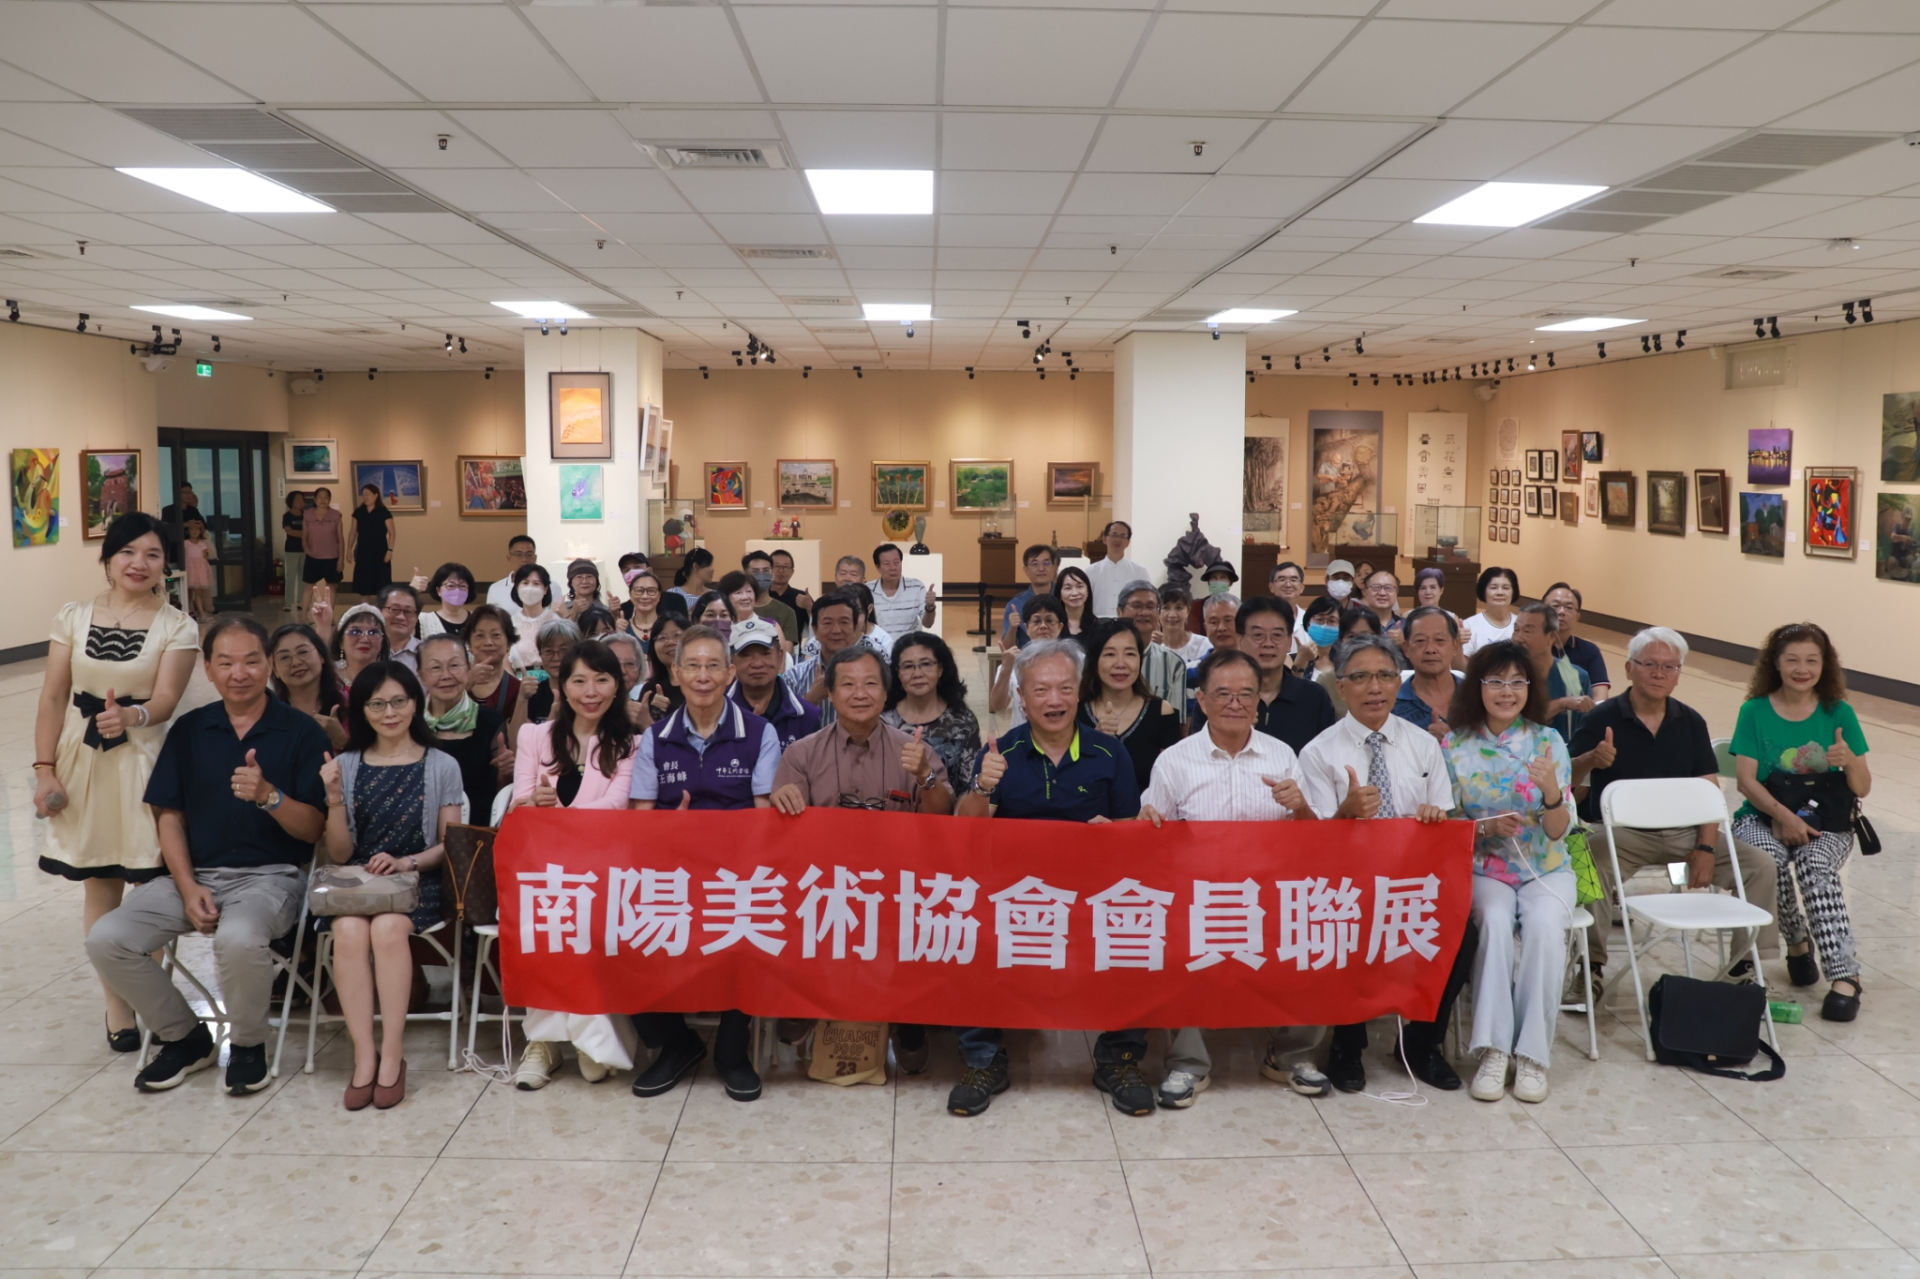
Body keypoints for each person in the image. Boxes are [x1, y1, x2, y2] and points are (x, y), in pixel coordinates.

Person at [85, 617, 329, 1094]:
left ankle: (249, 1045)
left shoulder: (302, 732)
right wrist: (188, 884)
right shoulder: (190, 729)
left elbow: (314, 829)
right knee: (107, 938)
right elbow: (169, 816)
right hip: (194, 876)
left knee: (238, 939)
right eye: (227, 663)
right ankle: (186, 1037)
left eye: (251, 661)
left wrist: (269, 796)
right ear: (209, 671)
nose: (240, 673)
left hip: (273, 878)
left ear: (268, 665)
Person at [952, 639, 1143, 1118]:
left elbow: (1131, 835)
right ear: (1021, 696)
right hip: (1015, 897)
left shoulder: (1110, 752)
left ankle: (1118, 1060)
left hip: (1092, 895)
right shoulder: (1002, 752)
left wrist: (1115, 834)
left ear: (1080, 692)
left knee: (1137, 933)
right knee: (969, 931)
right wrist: (982, 786)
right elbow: (965, 833)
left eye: (1065, 688)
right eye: (1040, 690)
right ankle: (984, 1060)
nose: (1054, 700)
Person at [33, 512, 200, 1052]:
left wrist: (133, 716)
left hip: (143, 764)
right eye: (127, 551)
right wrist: (44, 770)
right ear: (108, 558)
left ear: (165, 565)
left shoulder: (177, 625)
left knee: (151, 890)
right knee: (99, 884)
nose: (138, 563)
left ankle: (152, 1001)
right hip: (82, 762)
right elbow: (53, 697)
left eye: (152, 554)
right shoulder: (73, 616)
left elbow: (167, 700)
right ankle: (117, 1008)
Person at [1136, 648, 1323, 1106]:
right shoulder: (1175, 761)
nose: (1235, 704)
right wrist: (1146, 823)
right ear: (1201, 699)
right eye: (1222, 694)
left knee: (1314, 931)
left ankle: (1291, 1055)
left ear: (1259, 700)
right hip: (1198, 895)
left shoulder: (1282, 755)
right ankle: (1187, 1062)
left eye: (1246, 694)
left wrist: (1300, 806)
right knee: (1174, 936)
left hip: (1271, 894)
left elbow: (1313, 840)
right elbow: (1152, 840)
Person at [1298, 633, 1468, 1093]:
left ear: (1398, 682)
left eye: (1385, 676)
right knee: (1339, 923)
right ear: (1341, 686)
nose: (1374, 687)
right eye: (1360, 677)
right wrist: (1345, 813)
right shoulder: (1318, 753)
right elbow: (1312, 846)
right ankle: (1346, 1046)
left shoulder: (1423, 744)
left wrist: (1434, 818)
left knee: (1463, 932)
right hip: (1348, 885)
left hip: (1413, 882)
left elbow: (1443, 822)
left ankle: (1422, 1044)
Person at [1571, 626, 1778, 986]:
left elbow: (1708, 793)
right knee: (1587, 861)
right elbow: (1567, 782)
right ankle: (1591, 967)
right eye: (1649, 664)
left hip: (1686, 834)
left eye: (1670, 667)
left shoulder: (1690, 721)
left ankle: (1745, 966)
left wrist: (1705, 848)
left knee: (1760, 866)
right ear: (1629, 668)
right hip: (1624, 835)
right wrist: (1590, 759)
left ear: (1679, 674)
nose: (1659, 673)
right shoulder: (1600, 719)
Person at [626, 625, 781, 1102]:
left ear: (730, 673)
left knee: (748, 928)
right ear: (675, 673)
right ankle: (677, 1044)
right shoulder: (655, 738)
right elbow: (641, 822)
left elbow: (764, 821)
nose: (703, 675)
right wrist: (673, 832)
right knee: (624, 933)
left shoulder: (760, 733)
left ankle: (732, 1052)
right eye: (692, 666)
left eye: (714, 665)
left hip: (738, 874)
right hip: (671, 873)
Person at [317, 660, 464, 1110]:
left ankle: (393, 1054)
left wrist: (405, 862)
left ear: (415, 703)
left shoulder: (442, 764)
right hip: (359, 883)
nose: (389, 712)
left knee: (386, 928)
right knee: (347, 930)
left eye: (398, 701)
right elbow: (340, 853)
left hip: (419, 881)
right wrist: (334, 798)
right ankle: (364, 1054)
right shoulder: (345, 764)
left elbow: (449, 843)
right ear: (362, 711)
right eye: (376, 704)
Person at [1441, 640, 1574, 1105]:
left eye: (1517, 682)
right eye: (1495, 681)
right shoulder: (1454, 745)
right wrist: (1486, 828)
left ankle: (1533, 1055)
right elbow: (1446, 824)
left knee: (1545, 927)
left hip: (1545, 868)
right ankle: (1494, 1050)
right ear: (1477, 687)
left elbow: (1558, 832)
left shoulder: (1548, 741)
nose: (1506, 692)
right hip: (1484, 868)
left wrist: (1552, 793)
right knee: (1494, 924)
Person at [508, 640, 642, 1088]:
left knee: (581, 916)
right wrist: (533, 802)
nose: (590, 691)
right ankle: (560, 1044)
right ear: (562, 687)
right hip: (542, 868)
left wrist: (557, 815)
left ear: (617, 686)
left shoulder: (632, 744)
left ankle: (562, 1039)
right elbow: (518, 808)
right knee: (546, 915)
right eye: (579, 680)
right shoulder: (534, 736)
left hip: (604, 871)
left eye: (601, 680)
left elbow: (616, 808)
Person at [1730, 622, 1872, 1023]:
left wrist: (1849, 762)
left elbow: (1862, 788)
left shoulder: (1839, 713)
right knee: (1766, 860)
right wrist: (1784, 817)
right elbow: (1745, 781)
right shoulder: (1754, 711)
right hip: (1763, 814)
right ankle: (1796, 942)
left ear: (1825, 665)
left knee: (1814, 863)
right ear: (1775, 663)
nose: (1802, 669)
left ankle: (1845, 975)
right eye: (1792, 660)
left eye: (1812, 660)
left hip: (1827, 821)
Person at [771, 647, 953, 818]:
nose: (860, 694)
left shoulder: (916, 752)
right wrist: (783, 801)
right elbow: (792, 826)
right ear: (830, 694)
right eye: (848, 684)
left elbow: (942, 817)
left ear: (885, 693)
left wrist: (925, 774)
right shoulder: (801, 755)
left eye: (870, 683)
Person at [1190, 597, 1337, 756]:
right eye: (1258, 635)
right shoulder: (1217, 697)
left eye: (1277, 635)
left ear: (1289, 642)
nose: (1268, 643)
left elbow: (1328, 757)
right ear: (1240, 640)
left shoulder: (1314, 697)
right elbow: (1195, 755)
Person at [417, 633, 511, 823]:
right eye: (435, 667)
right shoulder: (411, 724)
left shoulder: (491, 721)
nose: (446, 675)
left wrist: (506, 772)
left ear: (468, 668)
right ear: (421, 676)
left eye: (454, 665)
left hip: (475, 830)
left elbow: (500, 792)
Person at [1079, 620, 1183, 791]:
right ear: (1094, 661)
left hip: (1148, 807)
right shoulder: (1075, 713)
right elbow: (1069, 781)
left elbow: (1175, 779)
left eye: (1130, 654)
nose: (1121, 664)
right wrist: (1094, 741)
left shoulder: (1161, 711)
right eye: (1110, 654)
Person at [883, 632, 981, 794]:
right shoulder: (883, 720)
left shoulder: (962, 721)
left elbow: (969, 787)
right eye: (908, 666)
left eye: (926, 664)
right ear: (897, 673)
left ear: (940, 669)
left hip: (949, 807)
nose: (917, 674)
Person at [727, 617, 819, 748]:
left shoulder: (807, 716)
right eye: (746, 655)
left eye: (765, 654)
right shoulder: (716, 713)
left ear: (780, 657)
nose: (757, 664)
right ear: (732, 661)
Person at [1512, 601, 1592, 742]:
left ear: (1551, 637)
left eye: (1527, 631)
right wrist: (1561, 704)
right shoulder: (1505, 673)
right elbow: (1511, 723)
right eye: (1516, 629)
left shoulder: (1575, 676)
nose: (1518, 638)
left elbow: (1584, 732)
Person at [269, 621, 350, 752]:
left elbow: (371, 759)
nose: (296, 662)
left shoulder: (348, 704)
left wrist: (341, 741)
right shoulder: (269, 714)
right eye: (284, 657)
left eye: (302, 652)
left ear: (321, 656)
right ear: (275, 670)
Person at [987, 594, 1066, 727]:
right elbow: (997, 705)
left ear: (1060, 627)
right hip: (1023, 737)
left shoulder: (1074, 660)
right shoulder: (1015, 663)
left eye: (1049, 620)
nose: (1043, 626)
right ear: (1027, 628)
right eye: (1036, 621)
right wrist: (1005, 670)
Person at [1115, 580, 1189, 721]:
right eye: (1137, 606)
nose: (1144, 612)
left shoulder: (1173, 664)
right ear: (1119, 612)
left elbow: (1177, 723)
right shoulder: (1102, 658)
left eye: (1150, 606)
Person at [1395, 606, 1464, 741]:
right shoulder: (1392, 704)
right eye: (1420, 641)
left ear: (1455, 646)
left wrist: (1452, 743)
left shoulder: (1478, 695)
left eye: (1440, 640)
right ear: (1406, 649)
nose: (1430, 649)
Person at [785, 594, 863, 713]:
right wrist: (812, 699)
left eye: (844, 622)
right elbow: (786, 723)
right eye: (827, 623)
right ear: (815, 630)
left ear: (855, 628)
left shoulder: (872, 674)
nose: (836, 630)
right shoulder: (794, 677)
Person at [515, 616, 581, 734]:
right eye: (549, 651)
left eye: (563, 650)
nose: (556, 658)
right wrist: (522, 699)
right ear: (540, 655)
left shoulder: (588, 692)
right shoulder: (533, 694)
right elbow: (517, 740)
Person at [1544, 582, 1610, 699]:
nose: (1561, 612)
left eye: (1569, 608)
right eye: (1555, 606)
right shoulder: (1529, 646)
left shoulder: (1590, 651)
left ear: (1577, 617)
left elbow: (1600, 695)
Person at [867, 543, 937, 636]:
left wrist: (930, 607)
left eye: (896, 563)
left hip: (908, 644)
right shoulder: (867, 590)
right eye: (887, 564)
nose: (893, 568)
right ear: (877, 567)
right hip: (878, 645)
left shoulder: (916, 586)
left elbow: (928, 624)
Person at [465, 604, 521, 721]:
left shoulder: (517, 689)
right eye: (480, 635)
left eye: (496, 635)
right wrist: (467, 684)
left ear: (509, 643)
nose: (488, 642)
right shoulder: (452, 680)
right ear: (469, 644)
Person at [1085, 520, 1150, 616]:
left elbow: (1148, 599)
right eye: (1114, 535)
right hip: (1099, 623)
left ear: (1128, 542)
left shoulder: (1140, 571)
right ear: (1104, 539)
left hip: (1129, 623)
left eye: (1123, 536)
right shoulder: (1091, 571)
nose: (1118, 540)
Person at [1001, 543, 1058, 647]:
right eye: (1035, 564)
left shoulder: (1065, 598)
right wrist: (1012, 628)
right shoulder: (1015, 605)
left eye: (1046, 563)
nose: (1041, 569)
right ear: (1026, 570)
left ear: (1054, 567)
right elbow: (1006, 649)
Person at [344, 483, 395, 598]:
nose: (365, 497)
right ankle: (365, 607)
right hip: (363, 551)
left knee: (381, 583)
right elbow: (353, 532)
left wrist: (390, 550)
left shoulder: (383, 512)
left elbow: (392, 533)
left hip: (380, 551)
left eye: (368, 494)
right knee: (364, 583)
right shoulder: (359, 512)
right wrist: (349, 550)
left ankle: (380, 608)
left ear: (376, 495)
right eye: (363, 495)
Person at [299, 486, 344, 616]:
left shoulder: (335, 515)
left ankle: (329, 616)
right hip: (313, 557)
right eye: (320, 498)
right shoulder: (307, 515)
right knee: (309, 586)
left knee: (331, 586)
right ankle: (304, 616)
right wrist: (307, 550)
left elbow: (340, 538)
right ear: (315, 499)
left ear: (329, 500)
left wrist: (341, 559)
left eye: (326, 498)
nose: (323, 500)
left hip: (332, 556)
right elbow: (304, 536)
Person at [742, 550, 801, 643]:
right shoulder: (736, 609)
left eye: (766, 571)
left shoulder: (787, 612)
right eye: (755, 571)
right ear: (745, 575)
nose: (761, 576)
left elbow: (787, 649)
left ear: (772, 574)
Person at [638, 614, 688, 720]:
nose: (670, 642)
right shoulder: (650, 691)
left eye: (677, 635)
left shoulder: (704, 683)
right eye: (662, 638)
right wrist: (654, 714)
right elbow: (642, 728)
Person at [1462, 566, 1518, 656]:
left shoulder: (1521, 624)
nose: (1500, 592)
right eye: (1493, 587)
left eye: (1506, 588)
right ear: (1484, 591)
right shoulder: (1469, 626)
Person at [332, 603, 391, 689]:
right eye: (355, 632)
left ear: (382, 642)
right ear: (341, 642)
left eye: (373, 632)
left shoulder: (391, 680)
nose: (364, 639)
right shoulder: (327, 677)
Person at [507, 564, 554, 670]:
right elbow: (505, 664)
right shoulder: (509, 624)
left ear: (545, 589)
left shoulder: (556, 620)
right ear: (517, 588)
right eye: (525, 583)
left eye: (536, 583)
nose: (530, 588)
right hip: (520, 678)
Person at [604, 630, 652, 730]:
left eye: (630, 664)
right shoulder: (588, 708)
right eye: (614, 663)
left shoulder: (644, 711)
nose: (622, 671)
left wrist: (646, 723)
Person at [418, 562, 477, 643]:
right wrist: (413, 590)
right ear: (438, 590)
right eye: (451, 586)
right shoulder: (423, 620)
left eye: (462, 586)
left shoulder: (478, 620)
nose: (457, 590)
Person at [377, 582, 424, 671]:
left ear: (416, 618)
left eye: (408, 611)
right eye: (395, 609)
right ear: (379, 611)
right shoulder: (367, 649)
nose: (401, 617)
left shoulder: (427, 653)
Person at [1159, 584, 1209, 664]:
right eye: (1166, 608)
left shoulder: (1204, 646)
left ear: (1188, 611)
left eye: (1179, 608)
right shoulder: (1151, 649)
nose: (1172, 615)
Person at [485, 534, 538, 609]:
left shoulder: (551, 586)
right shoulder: (495, 589)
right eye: (519, 554)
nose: (524, 559)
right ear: (509, 558)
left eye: (529, 554)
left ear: (535, 558)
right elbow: (490, 616)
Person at [1054, 564, 1097, 644]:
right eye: (1068, 588)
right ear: (1059, 594)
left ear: (1088, 591)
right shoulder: (1053, 625)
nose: (1075, 593)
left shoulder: (1097, 626)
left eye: (1080, 586)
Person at [767, 548, 813, 621]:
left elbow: (818, 623)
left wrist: (810, 607)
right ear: (768, 570)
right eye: (776, 566)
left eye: (785, 567)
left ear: (792, 572)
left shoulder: (801, 597)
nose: (781, 570)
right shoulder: (761, 596)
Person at [181, 516, 213, 618]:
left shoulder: (202, 544)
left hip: (200, 570)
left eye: (197, 529)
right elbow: (183, 556)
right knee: (188, 592)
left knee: (199, 592)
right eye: (192, 529)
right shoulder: (185, 543)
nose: (195, 532)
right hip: (190, 569)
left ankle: (201, 612)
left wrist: (206, 570)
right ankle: (188, 610)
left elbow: (204, 559)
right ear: (187, 531)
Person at [623, 567, 663, 645]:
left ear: (659, 595)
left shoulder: (667, 626)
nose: (645, 596)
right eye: (639, 590)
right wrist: (618, 633)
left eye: (651, 591)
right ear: (630, 594)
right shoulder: (622, 628)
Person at [555, 558, 603, 622]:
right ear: (571, 583)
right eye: (579, 577)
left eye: (589, 576)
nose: (584, 581)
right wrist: (574, 612)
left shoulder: (605, 610)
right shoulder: (562, 609)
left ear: (597, 582)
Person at [1360, 569, 1404, 639]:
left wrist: (1403, 643)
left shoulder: (1408, 625)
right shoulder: (1355, 625)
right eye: (1376, 587)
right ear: (1365, 592)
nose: (1382, 593)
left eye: (1388, 588)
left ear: (1396, 593)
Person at [281, 491, 305, 614]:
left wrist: (302, 534)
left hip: (305, 549)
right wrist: (303, 534)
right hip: (291, 549)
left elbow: (311, 531)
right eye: (297, 499)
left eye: (302, 499)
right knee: (290, 576)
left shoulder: (306, 515)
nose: (300, 502)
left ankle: (301, 601)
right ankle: (288, 602)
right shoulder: (287, 516)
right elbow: (289, 531)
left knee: (303, 576)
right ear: (291, 501)